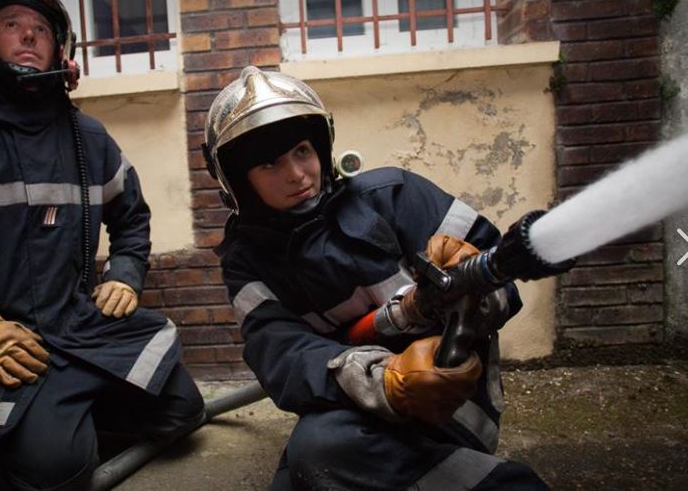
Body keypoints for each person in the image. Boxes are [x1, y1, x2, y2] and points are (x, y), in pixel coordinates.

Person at [0, 0, 204, 489]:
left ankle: (63, 415)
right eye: (12, 24)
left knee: (184, 411)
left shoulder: (89, 137)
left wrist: (124, 274)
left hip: (79, 327)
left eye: (40, 28)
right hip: (2, 344)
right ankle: (47, 433)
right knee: (59, 472)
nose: (27, 36)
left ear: (61, 50)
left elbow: (132, 219)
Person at [204, 66, 550, 490]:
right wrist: (381, 380)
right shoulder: (248, 260)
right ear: (240, 182)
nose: (297, 174)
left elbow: (505, 288)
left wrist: (475, 290)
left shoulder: (394, 196)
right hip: (353, 404)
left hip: (452, 400)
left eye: (301, 151)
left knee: (322, 452)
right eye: (271, 164)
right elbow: (281, 354)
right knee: (308, 464)